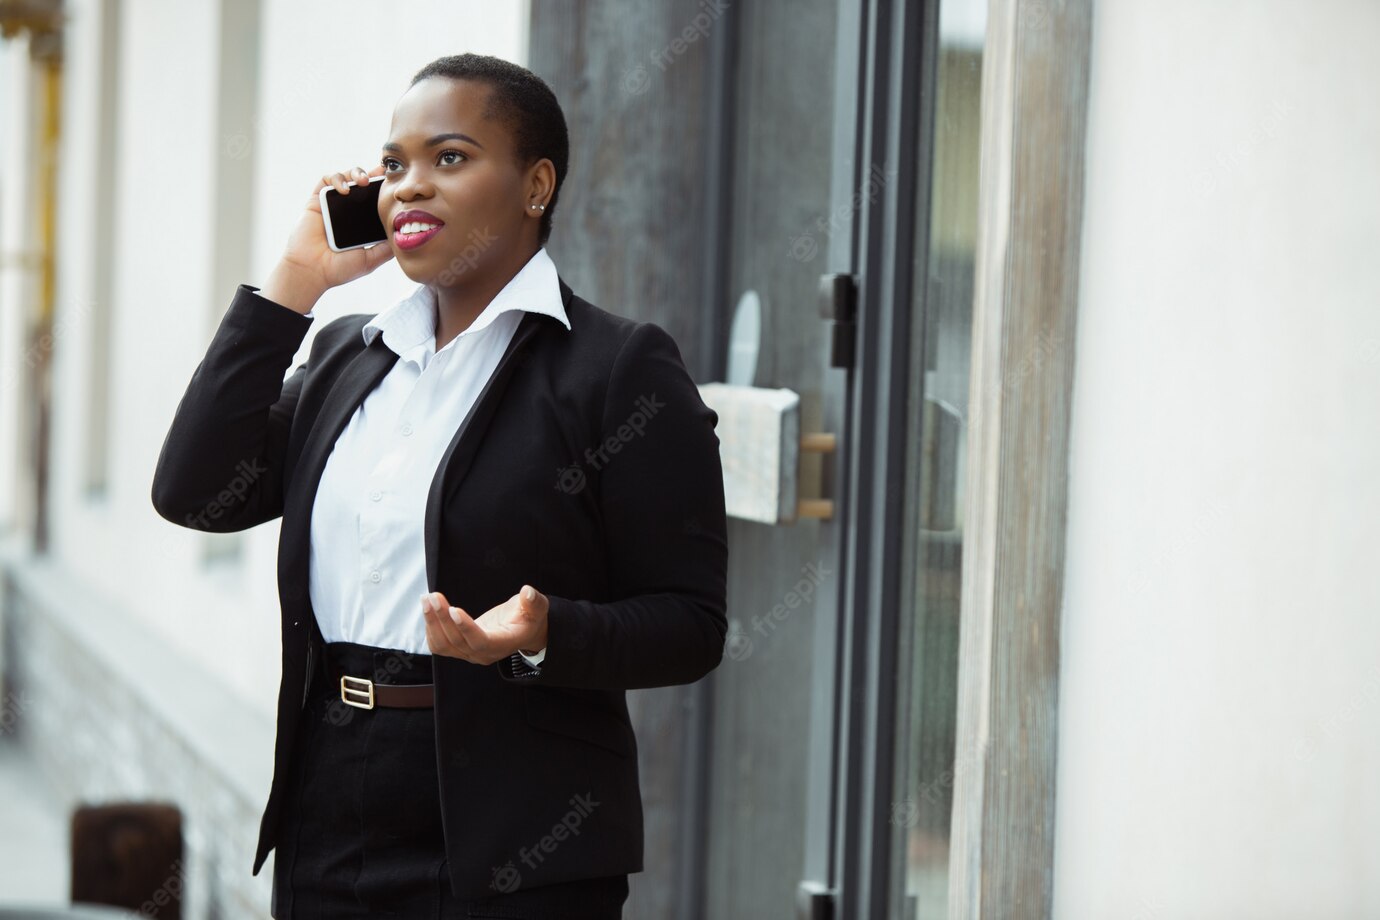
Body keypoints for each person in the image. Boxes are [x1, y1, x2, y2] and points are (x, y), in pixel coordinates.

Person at [150, 52, 728, 919]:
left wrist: (542, 634)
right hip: (328, 798)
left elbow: (691, 623)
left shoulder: (616, 370)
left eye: (449, 158)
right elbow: (195, 491)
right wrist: (296, 284)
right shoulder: (350, 354)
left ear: (536, 184)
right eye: (393, 166)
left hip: (515, 835)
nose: (409, 187)